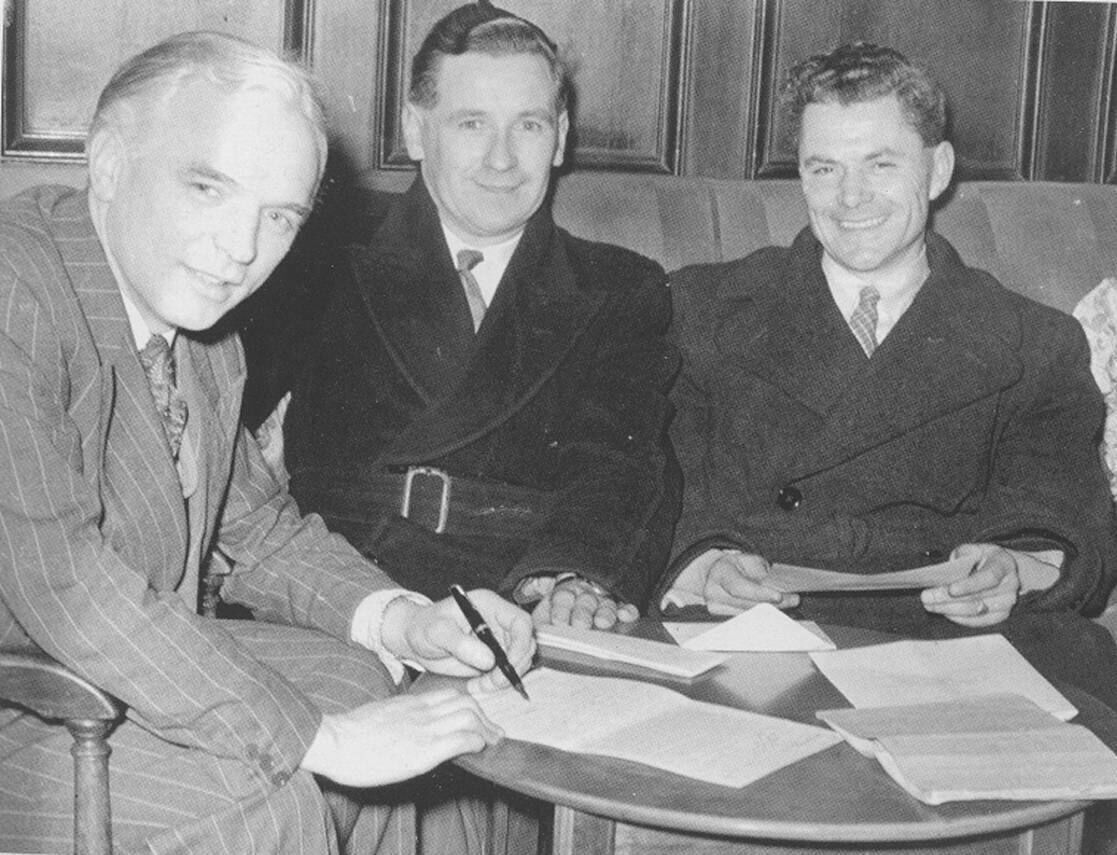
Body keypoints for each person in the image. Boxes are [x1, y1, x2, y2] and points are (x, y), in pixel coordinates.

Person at [0, 30, 535, 854]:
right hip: (23, 701)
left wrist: (404, 621)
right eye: (208, 186)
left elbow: (255, 528)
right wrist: (321, 742)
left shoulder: (200, 332)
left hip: (97, 678)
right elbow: (64, 581)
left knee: (369, 686)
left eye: (278, 216)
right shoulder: (14, 289)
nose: (242, 250)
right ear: (107, 163)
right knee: (278, 794)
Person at [658, 43, 1117, 687]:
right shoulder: (701, 308)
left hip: (951, 640)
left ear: (937, 171)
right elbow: (659, 473)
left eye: (880, 164)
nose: (850, 198)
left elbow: (1059, 504)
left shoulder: (1034, 341)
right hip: (757, 633)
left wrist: (1011, 567)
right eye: (823, 169)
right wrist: (704, 562)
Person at [245, 2, 678, 631]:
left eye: (527, 126)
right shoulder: (315, 261)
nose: (502, 160)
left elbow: (620, 467)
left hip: (523, 597)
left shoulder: (619, 289)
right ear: (417, 131)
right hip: (341, 588)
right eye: (472, 123)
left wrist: (572, 575)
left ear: (559, 138)